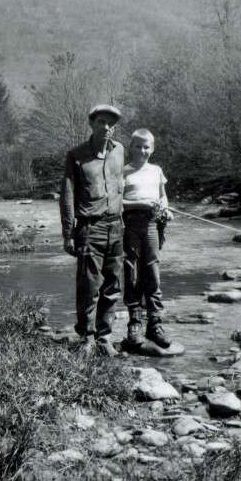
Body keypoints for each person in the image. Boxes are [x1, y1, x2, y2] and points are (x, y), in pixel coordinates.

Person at [59, 104, 124, 356]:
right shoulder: (76, 155)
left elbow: (122, 186)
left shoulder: (119, 151)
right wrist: (68, 233)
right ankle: (86, 337)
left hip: (116, 227)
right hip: (89, 228)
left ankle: (104, 337)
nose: (106, 127)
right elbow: (67, 196)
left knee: (113, 285)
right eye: (101, 122)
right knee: (89, 286)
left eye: (110, 123)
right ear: (92, 124)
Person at [122, 128, 173, 349]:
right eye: (138, 146)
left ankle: (155, 324)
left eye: (147, 147)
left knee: (152, 271)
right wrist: (139, 204)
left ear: (152, 149)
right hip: (129, 224)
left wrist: (166, 209)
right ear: (130, 147)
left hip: (153, 224)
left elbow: (162, 196)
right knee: (132, 270)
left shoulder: (156, 170)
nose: (142, 150)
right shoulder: (123, 172)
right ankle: (134, 323)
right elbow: (116, 203)